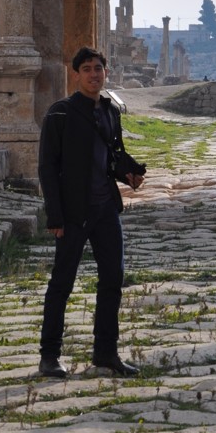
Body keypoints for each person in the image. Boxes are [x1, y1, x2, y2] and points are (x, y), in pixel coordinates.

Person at [37, 46, 146, 379]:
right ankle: (49, 356)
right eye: (87, 69)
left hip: (105, 210)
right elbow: (47, 168)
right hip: (73, 212)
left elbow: (113, 155)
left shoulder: (111, 112)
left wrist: (128, 173)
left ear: (105, 73)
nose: (94, 74)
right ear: (76, 74)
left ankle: (106, 352)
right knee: (62, 283)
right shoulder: (60, 114)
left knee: (112, 279)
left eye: (99, 68)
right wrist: (54, 217)